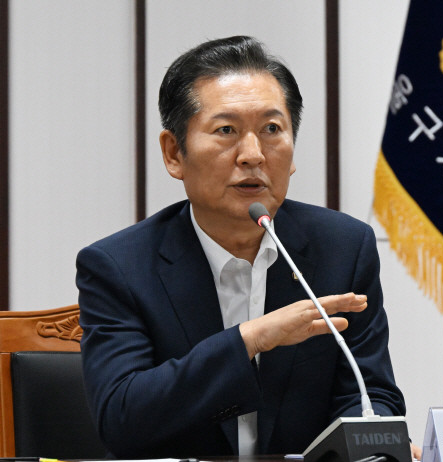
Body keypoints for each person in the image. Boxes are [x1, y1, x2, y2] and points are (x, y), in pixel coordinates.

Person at [76, 36, 411, 458]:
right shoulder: (119, 267)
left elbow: (369, 392)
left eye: (272, 129)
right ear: (174, 152)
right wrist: (249, 340)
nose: (253, 155)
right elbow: (122, 418)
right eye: (226, 131)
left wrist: (372, 442)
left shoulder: (344, 248)